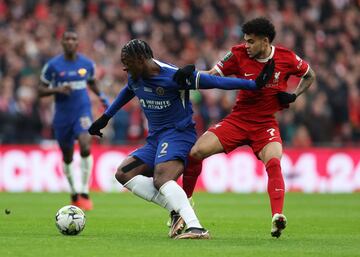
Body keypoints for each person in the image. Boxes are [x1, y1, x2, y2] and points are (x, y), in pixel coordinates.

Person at [88, 39, 275, 239]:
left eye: (127, 62)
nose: (124, 67)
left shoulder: (172, 76)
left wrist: (252, 84)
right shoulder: (135, 75)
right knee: (123, 173)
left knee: (162, 179)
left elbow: (215, 81)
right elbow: (128, 91)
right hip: (155, 140)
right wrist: (105, 117)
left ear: (142, 59)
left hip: (179, 134)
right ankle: (177, 210)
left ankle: (196, 228)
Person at [174, 17, 316, 238]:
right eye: (246, 41)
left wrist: (294, 95)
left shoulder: (286, 58)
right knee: (195, 152)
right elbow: (212, 75)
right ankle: (184, 207)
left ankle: (277, 216)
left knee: (274, 162)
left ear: (265, 41)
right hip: (238, 120)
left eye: (251, 42)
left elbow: (310, 75)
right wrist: (190, 76)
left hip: (265, 124)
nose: (246, 46)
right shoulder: (238, 54)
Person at [38, 30, 110, 211]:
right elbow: (40, 90)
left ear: (77, 43)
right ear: (62, 42)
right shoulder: (53, 66)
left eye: (73, 39)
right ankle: (74, 192)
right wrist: (57, 89)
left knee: (86, 144)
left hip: (82, 111)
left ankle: (85, 191)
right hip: (62, 116)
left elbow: (92, 81)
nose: (70, 42)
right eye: (67, 39)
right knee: (68, 156)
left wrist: (101, 96)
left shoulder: (87, 64)